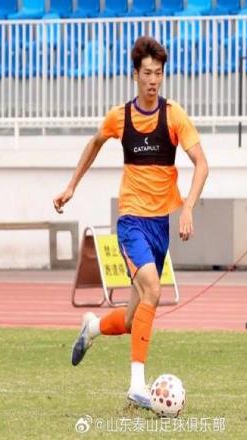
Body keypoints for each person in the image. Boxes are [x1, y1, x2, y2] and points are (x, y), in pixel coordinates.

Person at [53, 36, 208, 410]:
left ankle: (92, 327)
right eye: (147, 73)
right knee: (153, 288)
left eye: (158, 73)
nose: (153, 80)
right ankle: (137, 385)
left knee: (129, 318)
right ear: (135, 75)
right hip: (131, 221)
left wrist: (188, 207)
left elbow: (202, 164)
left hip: (160, 226)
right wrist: (71, 185)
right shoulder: (119, 117)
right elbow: (95, 143)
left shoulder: (174, 116)